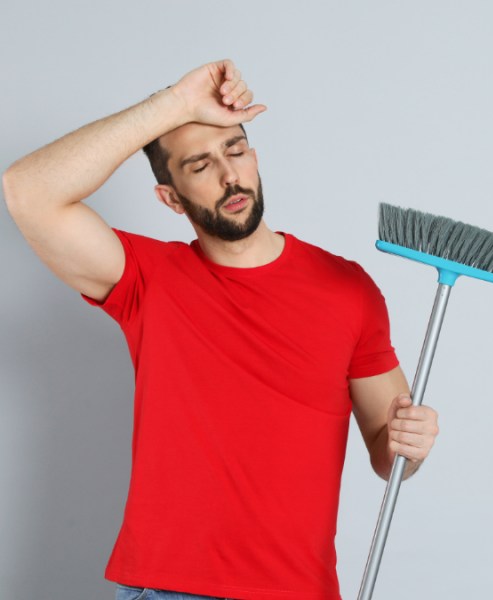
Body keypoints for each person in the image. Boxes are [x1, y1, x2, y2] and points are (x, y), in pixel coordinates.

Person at [3, 59, 439, 600]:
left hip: (295, 590)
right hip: (166, 589)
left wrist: (411, 445)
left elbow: (388, 450)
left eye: (235, 151)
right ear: (171, 197)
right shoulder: (147, 278)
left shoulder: (348, 289)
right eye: (199, 165)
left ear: (254, 158)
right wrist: (175, 104)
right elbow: (27, 190)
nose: (229, 175)